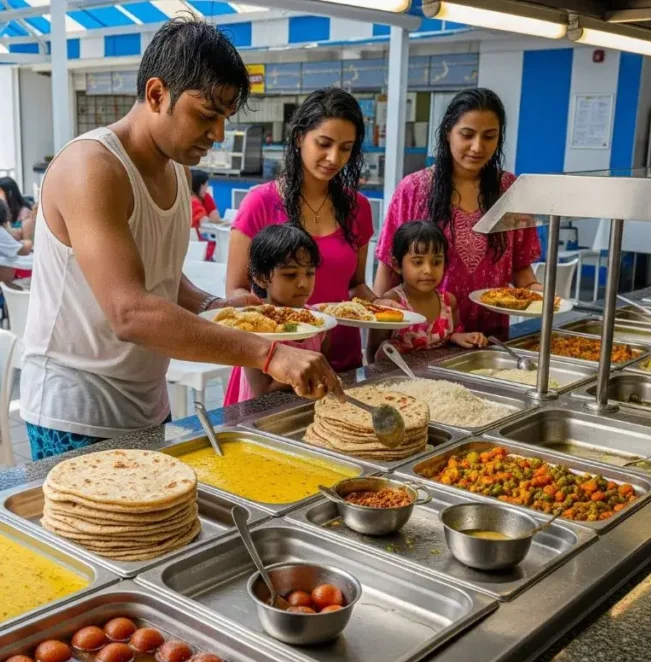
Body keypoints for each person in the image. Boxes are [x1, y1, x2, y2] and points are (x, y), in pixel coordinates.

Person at [20, 17, 340, 461]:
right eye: (207, 115)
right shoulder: (93, 168)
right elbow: (130, 311)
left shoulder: (175, 168)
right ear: (157, 94)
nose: (218, 134)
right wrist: (268, 355)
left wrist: (213, 306)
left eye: (224, 118)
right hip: (76, 412)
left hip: (146, 402)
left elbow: (159, 275)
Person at [225, 87, 386, 373]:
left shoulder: (357, 207)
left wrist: (381, 306)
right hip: (275, 364)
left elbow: (355, 285)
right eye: (324, 143)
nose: (334, 158)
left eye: (346, 148)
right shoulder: (260, 203)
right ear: (300, 137)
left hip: (342, 360)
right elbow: (236, 288)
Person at [373, 88, 541, 337]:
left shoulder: (511, 191)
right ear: (447, 132)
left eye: (489, 137)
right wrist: (377, 327)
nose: (477, 147)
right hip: (423, 337)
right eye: (467, 135)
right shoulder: (413, 189)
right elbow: (389, 267)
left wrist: (536, 290)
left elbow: (521, 267)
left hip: (491, 335)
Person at [226, 224, 327, 403]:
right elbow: (262, 392)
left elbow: (323, 367)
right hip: (260, 418)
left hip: (301, 413)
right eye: (290, 275)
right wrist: (306, 375)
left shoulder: (319, 321)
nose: (303, 283)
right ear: (261, 278)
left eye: (310, 273)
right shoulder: (254, 325)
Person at [368, 220, 488, 361]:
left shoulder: (449, 302)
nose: (428, 270)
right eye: (417, 262)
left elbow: (448, 337)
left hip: (437, 380)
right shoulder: (390, 304)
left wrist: (460, 337)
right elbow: (372, 354)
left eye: (436, 262)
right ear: (397, 265)